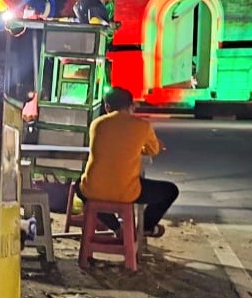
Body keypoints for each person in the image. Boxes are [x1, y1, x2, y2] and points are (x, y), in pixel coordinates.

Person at [76, 87, 178, 237]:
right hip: (127, 192)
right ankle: (146, 227)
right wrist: (138, 148)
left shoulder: (97, 124)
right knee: (170, 191)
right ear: (132, 106)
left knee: (81, 187)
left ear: (107, 107)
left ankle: (116, 227)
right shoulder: (142, 126)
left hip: (93, 189)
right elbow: (153, 150)